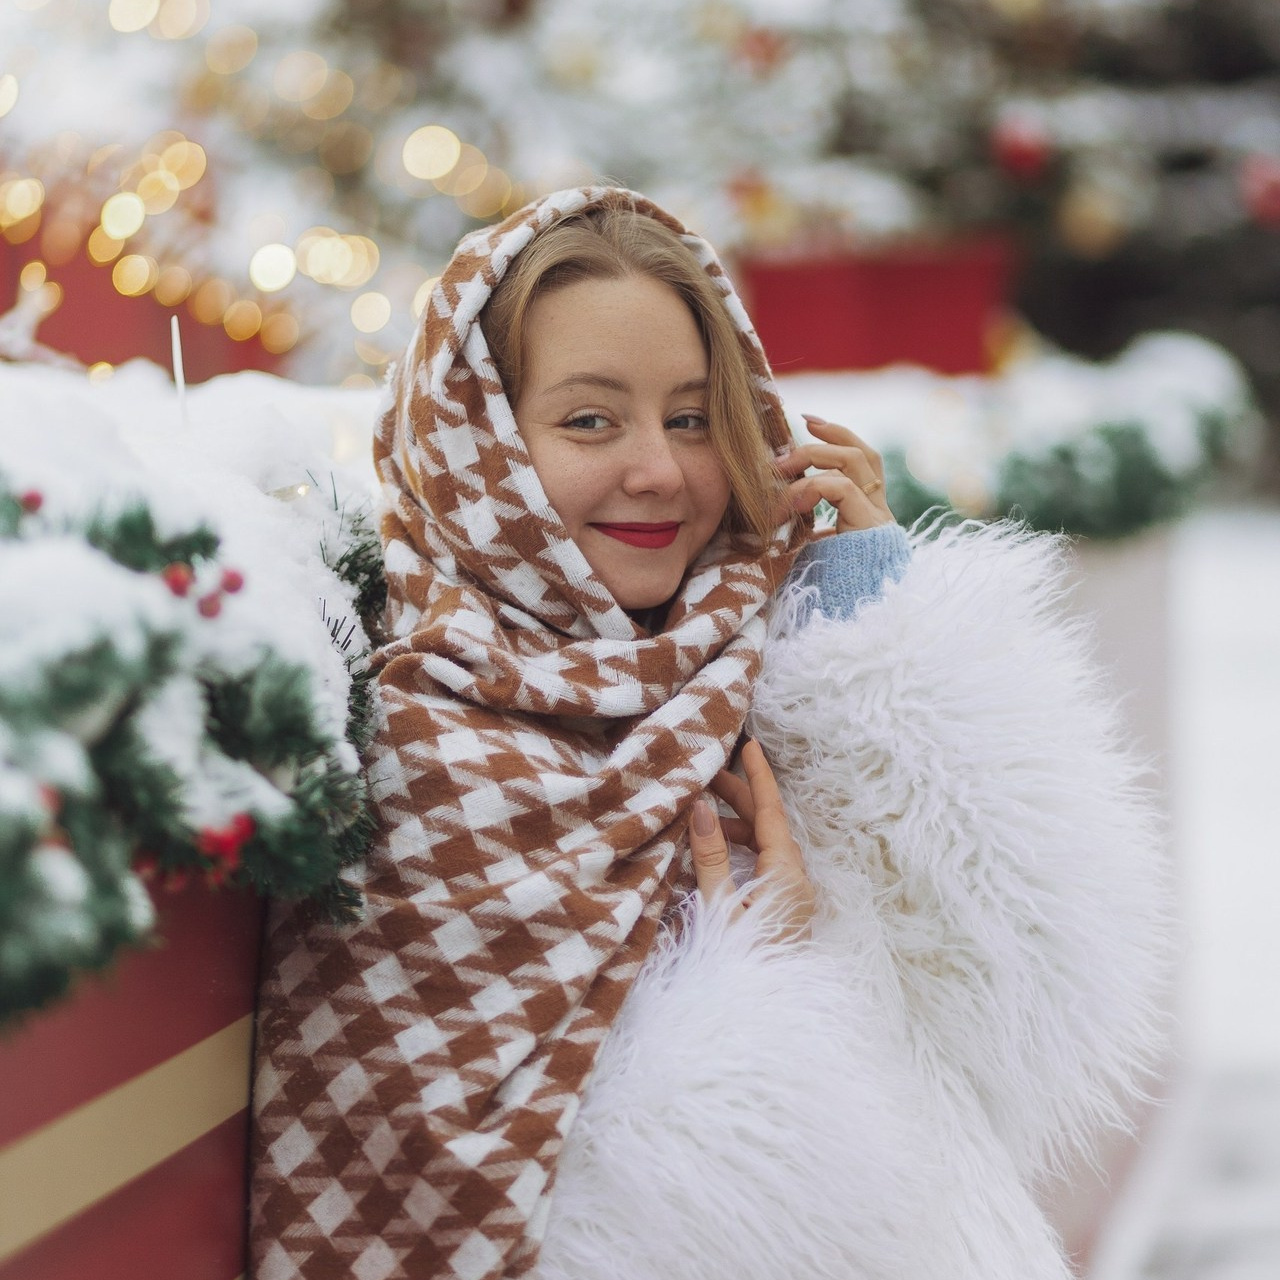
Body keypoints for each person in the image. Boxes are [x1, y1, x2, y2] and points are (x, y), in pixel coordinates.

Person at [250, 187, 1168, 1280]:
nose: (661, 469)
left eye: (690, 416)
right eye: (591, 418)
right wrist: (766, 977)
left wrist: (876, 611)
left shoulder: (755, 659)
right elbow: (457, 1215)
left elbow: (1028, 1004)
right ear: (477, 443)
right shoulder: (429, 745)